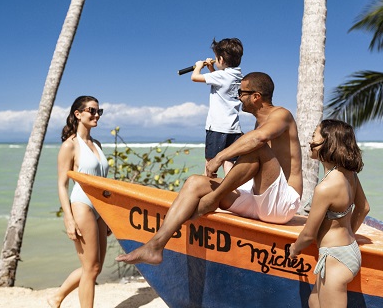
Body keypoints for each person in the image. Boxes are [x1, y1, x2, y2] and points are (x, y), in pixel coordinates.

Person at [116, 72, 303, 265]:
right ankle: (155, 246)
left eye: (241, 92)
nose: (238, 97)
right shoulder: (260, 122)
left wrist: (219, 157)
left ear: (256, 97)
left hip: (283, 204)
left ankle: (214, 199)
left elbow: (259, 139)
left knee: (257, 146)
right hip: (259, 199)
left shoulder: (282, 115)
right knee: (195, 183)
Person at [289, 119, 370, 308]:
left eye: (314, 136)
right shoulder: (349, 175)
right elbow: (363, 207)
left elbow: (308, 235)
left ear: (327, 143)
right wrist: (348, 233)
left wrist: (294, 249)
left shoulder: (325, 188)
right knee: (314, 302)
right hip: (347, 250)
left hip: (334, 259)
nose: (310, 140)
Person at [48, 96, 110, 308]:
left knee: (95, 267)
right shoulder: (70, 145)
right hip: (82, 205)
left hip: (101, 208)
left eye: (99, 111)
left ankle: (57, 297)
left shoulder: (97, 144)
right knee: (91, 268)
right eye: (92, 111)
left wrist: (110, 215)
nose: (96, 115)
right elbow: (62, 184)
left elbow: (104, 182)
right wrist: (68, 217)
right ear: (78, 114)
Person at [191, 37, 244, 176]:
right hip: (233, 128)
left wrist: (198, 66)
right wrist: (211, 68)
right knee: (229, 162)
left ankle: (206, 185)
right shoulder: (239, 76)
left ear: (220, 59)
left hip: (217, 127)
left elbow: (195, 77)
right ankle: (232, 187)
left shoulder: (221, 76)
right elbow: (221, 82)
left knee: (210, 163)